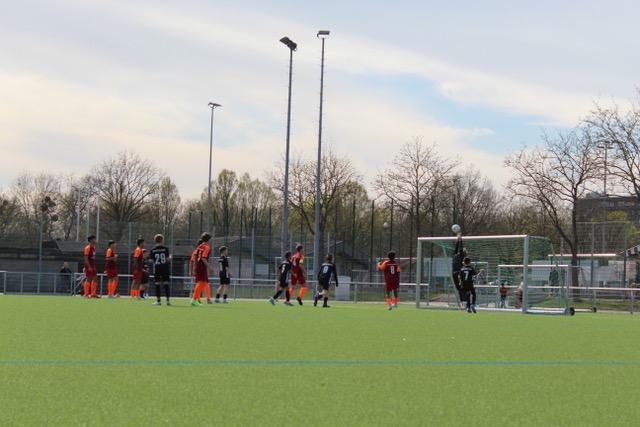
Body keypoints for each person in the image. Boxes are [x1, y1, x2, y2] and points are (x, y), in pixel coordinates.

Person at [191, 232, 215, 307]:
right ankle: (194, 300)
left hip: (198, 266)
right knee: (201, 282)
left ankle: (197, 299)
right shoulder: (207, 247)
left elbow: (195, 256)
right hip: (202, 266)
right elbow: (203, 258)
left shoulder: (200, 246)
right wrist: (209, 267)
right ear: (209, 240)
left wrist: (195, 266)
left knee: (203, 283)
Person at [149, 234, 172, 306]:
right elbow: (167, 259)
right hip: (165, 268)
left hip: (157, 268)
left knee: (157, 284)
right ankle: (168, 301)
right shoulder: (165, 249)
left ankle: (158, 301)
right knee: (166, 284)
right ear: (162, 240)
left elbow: (151, 260)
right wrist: (170, 257)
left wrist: (155, 260)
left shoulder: (152, 250)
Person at [451, 235, 467, 309]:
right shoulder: (455, 255)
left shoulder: (461, 256)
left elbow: (460, 249)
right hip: (454, 273)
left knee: (461, 288)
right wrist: (457, 241)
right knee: (458, 289)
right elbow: (456, 249)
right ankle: (462, 303)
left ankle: (464, 303)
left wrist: (460, 241)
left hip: (459, 273)